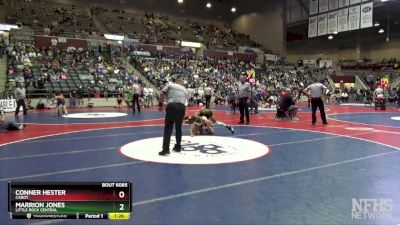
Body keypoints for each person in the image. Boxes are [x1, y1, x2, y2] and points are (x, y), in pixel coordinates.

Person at [159, 78, 189, 156]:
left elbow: (162, 94)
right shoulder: (185, 90)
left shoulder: (170, 85)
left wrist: (160, 104)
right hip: (182, 107)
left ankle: (165, 149)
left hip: (172, 105)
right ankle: (178, 147)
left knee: (168, 128)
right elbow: (185, 101)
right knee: (178, 128)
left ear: (176, 82)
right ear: (182, 84)